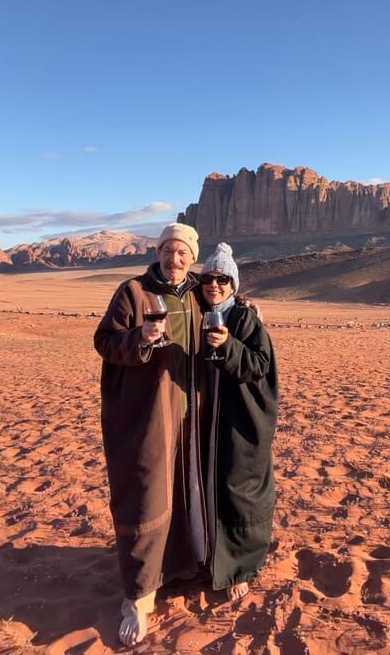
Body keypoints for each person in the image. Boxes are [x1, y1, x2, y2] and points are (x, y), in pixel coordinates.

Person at [93, 223, 210, 647]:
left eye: (182, 252)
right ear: (157, 252)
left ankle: (183, 567)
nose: (173, 259)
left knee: (188, 492)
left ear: (191, 257)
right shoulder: (134, 292)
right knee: (146, 495)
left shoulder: (199, 292)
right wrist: (138, 338)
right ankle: (138, 596)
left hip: (192, 416)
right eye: (167, 250)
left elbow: (228, 305)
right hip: (148, 417)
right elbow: (104, 340)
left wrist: (250, 310)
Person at [198, 243, 279, 602]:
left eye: (221, 278)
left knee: (238, 489)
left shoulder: (245, 319)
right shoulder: (200, 314)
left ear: (233, 282)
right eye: (208, 278)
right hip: (207, 420)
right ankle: (210, 555)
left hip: (239, 423)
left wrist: (228, 345)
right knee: (208, 486)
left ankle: (240, 568)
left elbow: (259, 366)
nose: (213, 284)